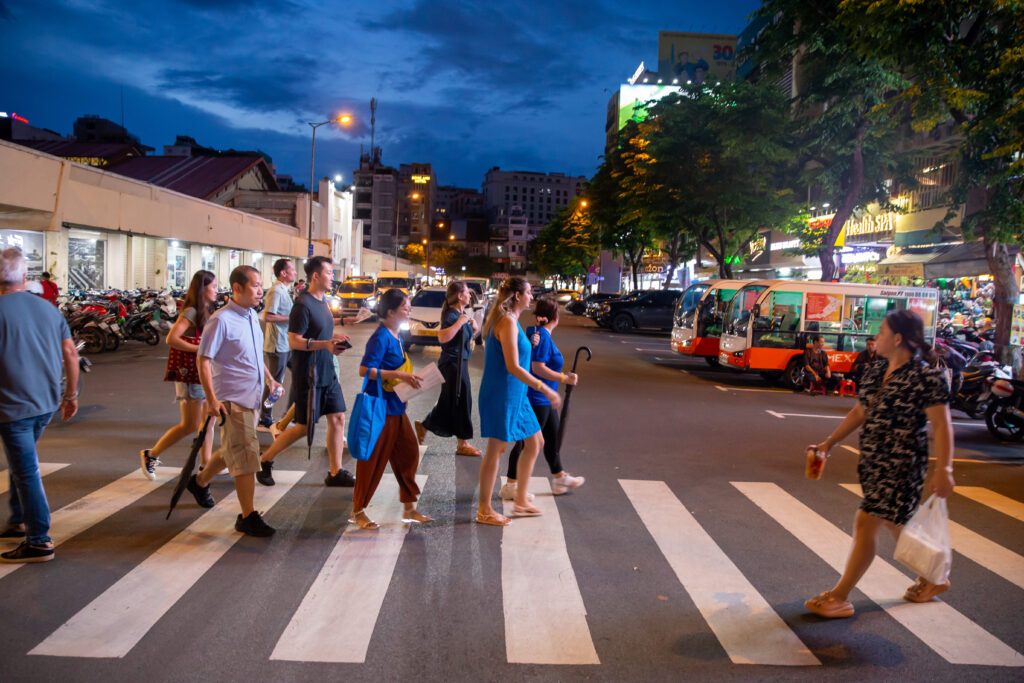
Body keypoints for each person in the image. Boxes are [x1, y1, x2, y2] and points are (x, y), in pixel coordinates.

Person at [804, 309, 954, 618]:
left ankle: (840, 596)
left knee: (867, 521)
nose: (876, 337)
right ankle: (934, 577)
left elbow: (941, 425)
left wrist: (945, 470)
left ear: (898, 338)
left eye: (882, 332)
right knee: (895, 523)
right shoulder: (874, 371)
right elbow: (859, 413)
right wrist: (828, 443)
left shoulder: (927, 377)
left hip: (902, 466)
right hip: (873, 462)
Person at [188, 265, 284, 537]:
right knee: (246, 455)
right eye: (255, 285)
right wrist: (211, 399)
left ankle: (199, 481)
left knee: (234, 448)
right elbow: (203, 360)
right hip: (232, 399)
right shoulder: (221, 320)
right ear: (237, 288)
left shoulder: (252, 316)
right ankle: (247, 516)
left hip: (252, 398)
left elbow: (254, 355)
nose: (260, 290)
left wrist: (270, 379)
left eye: (260, 284)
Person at [0, 248, 79, 563]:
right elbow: (71, 354)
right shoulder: (48, 309)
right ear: (24, 277)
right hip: (45, 403)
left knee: (26, 469)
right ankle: (19, 519)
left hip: (12, 407)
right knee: (23, 461)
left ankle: (39, 540)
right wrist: (71, 395)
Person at [255, 256, 355, 488]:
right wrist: (326, 344)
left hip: (327, 370)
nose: (333, 277)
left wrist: (342, 326)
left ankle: (335, 471)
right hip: (309, 374)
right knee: (303, 427)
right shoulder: (303, 304)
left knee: (338, 417)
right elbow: (295, 341)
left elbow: (322, 332)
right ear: (316, 276)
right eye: (329, 272)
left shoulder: (322, 302)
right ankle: (265, 459)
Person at [475, 277, 561, 526]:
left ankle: (521, 499)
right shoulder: (506, 323)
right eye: (528, 293)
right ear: (516, 296)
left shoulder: (510, 322)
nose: (532, 298)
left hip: (518, 394)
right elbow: (513, 366)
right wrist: (544, 388)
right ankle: (484, 509)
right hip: (503, 393)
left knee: (535, 442)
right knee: (497, 449)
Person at [351, 289, 431, 529]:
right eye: (405, 307)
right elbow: (365, 370)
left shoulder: (396, 336)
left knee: (409, 453)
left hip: (397, 408)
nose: (409, 311)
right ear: (390, 311)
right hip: (380, 408)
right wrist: (399, 375)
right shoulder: (381, 337)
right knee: (372, 461)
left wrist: (408, 380)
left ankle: (409, 507)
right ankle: (358, 510)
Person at [503, 297, 583, 498]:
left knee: (552, 439)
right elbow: (537, 367)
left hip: (544, 399)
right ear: (556, 317)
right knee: (525, 443)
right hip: (537, 399)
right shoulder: (543, 337)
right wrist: (564, 378)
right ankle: (511, 484)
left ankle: (559, 477)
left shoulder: (540, 335)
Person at [140, 270, 217, 479]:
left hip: (201, 372)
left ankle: (206, 464)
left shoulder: (205, 310)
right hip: (190, 374)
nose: (217, 291)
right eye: (214, 287)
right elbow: (172, 339)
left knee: (208, 421)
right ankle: (151, 454)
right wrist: (198, 349)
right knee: (190, 425)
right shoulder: (191, 311)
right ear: (203, 289)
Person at [414, 281, 481, 456]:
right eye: (467, 292)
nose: (469, 295)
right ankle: (463, 443)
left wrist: (473, 329)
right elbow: (443, 338)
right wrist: (460, 322)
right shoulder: (452, 315)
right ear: (459, 296)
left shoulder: (461, 313)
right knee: (461, 400)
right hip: (452, 364)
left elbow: (463, 338)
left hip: (460, 362)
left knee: (451, 400)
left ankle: (425, 425)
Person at [260, 258, 296, 428]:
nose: (295, 272)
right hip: (277, 345)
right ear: (283, 273)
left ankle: (291, 413)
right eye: (292, 269)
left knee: (300, 374)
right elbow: (268, 316)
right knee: (275, 382)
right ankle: (265, 416)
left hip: (286, 344)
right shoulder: (276, 291)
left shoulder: (284, 290)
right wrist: (291, 318)